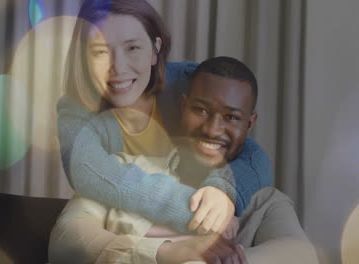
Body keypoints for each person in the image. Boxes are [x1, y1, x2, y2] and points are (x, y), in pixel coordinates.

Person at [49, 57, 319, 264]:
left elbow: (301, 254)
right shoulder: (124, 169)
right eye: (200, 110)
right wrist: (167, 252)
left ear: (250, 125)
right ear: (183, 106)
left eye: (231, 117)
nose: (213, 129)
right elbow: (66, 241)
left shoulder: (266, 201)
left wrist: (216, 260)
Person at [56, 0, 272, 236]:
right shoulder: (75, 109)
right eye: (101, 51)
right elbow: (87, 172)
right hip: (138, 227)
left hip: (207, 210)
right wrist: (195, 212)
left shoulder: (188, 82)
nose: (117, 67)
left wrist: (224, 191)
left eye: (132, 48)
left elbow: (254, 156)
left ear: (155, 50)